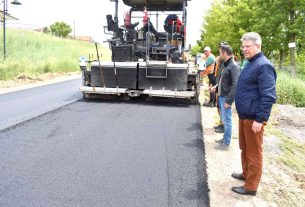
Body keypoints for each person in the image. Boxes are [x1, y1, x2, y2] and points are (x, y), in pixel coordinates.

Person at [232, 32, 277, 196]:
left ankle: (250, 187)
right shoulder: (250, 63)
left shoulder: (263, 66)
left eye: (247, 46)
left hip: (254, 119)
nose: (244, 49)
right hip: (244, 116)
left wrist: (260, 119)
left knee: (254, 153)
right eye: (243, 46)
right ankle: (246, 175)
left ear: (258, 46)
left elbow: (269, 96)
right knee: (244, 148)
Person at [210, 44, 240, 150]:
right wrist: (216, 87)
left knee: (227, 120)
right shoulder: (226, 65)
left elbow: (235, 85)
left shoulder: (233, 66)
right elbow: (224, 81)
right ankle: (224, 138)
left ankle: (226, 143)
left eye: (220, 53)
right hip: (222, 95)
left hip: (226, 97)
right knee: (224, 119)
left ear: (224, 53)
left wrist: (229, 100)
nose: (219, 55)